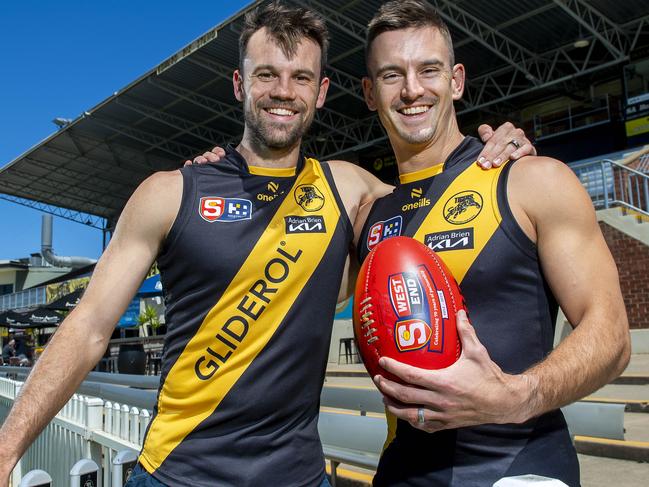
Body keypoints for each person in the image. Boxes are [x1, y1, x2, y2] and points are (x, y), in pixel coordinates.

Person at [0, 3, 534, 486]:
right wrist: (5, 451)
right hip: (178, 475)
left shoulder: (347, 188)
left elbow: (442, 192)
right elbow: (90, 327)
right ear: (239, 84)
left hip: (299, 476)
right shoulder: (171, 191)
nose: (284, 91)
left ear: (321, 92)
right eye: (267, 75)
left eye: (301, 77)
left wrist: (502, 148)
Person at [354, 2, 631, 486]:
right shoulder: (368, 216)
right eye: (392, 75)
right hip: (402, 472)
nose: (413, 89)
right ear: (370, 93)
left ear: (457, 80)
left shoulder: (530, 180)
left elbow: (612, 336)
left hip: (519, 469)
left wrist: (517, 395)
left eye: (429, 70)